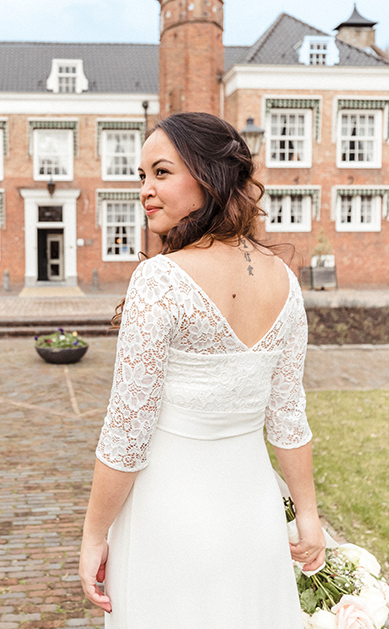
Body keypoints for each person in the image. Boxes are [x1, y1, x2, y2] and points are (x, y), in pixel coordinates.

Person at [78, 112, 325, 628]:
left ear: (209, 176)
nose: (145, 190)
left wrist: (93, 534)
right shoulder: (286, 282)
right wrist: (307, 514)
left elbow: (128, 431)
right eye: (141, 177)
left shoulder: (160, 279)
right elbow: (287, 417)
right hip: (253, 508)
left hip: (169, 513)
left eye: (161, 173)